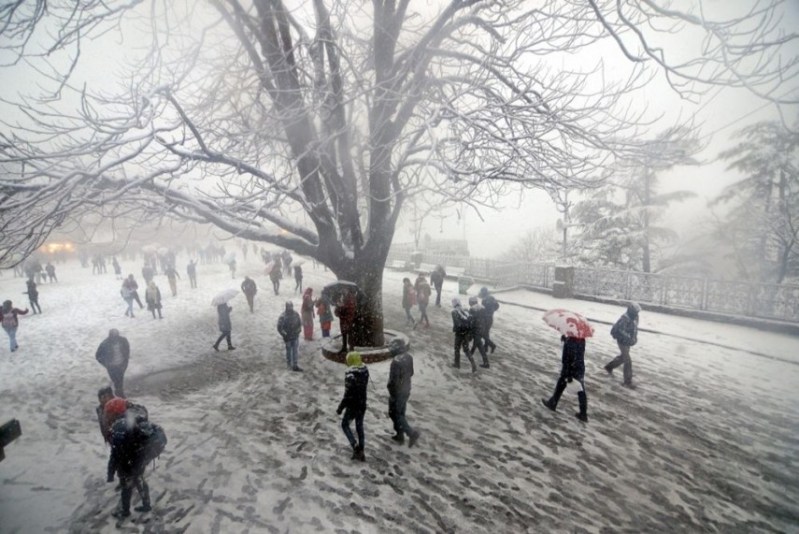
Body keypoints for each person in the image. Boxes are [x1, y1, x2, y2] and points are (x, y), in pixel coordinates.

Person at [108, 412, 152, 519]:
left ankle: (125, 511)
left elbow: (113, 458)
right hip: (138, 464)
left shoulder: (117, 434)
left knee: (126, 489)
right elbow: (145, 442)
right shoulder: (136, 430)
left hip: (125, 468)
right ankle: (146, 505)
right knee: (140, 482)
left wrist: (110, 474)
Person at [542, 336, 588, 422]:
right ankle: (583, 413)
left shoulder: (570, 341)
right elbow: (578, 354)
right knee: (580, 389)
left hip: (570, 368)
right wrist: (566, 339)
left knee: (562, 383)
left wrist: (568, 373)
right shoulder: (582, 340)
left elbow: (568, 357)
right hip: (580, 367)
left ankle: (553, 403)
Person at [337, 351, 369, 462]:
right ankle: (362, 451)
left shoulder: (350, 376)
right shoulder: (365, 372)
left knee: (345, 425)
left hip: (352, 406)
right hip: (362, 404)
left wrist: (340, 408)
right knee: (359, 427)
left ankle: (355, 447)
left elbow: (347, 395)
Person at [387, 342, 420, 447]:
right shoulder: (408, 357)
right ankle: (399, 434)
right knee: (401, 412)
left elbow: (393, 380)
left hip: (398, 391)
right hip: (406, 389)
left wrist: (391, 390)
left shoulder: (396, 362)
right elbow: (411, 373)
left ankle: (411, 433)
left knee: (395, 413)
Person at [604, 302, 641, 388]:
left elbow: (634, 329)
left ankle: (609, 367)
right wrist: (629, 337)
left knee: (623, 357)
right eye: (636, 311)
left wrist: (633, 339)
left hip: (628, 341)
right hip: (622, 341)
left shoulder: (635, 317)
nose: (637, 313)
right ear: (631, 310)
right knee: (627, 360)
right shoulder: (624, 319)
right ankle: (627, 381)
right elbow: (621, 331)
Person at [96, 329, 131, 397]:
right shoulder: (105, 344)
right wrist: (105, 363)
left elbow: (127, 349)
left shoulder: (123, 341)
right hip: (111, 366)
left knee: (120, 380)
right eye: (113, 336)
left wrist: (126, 360)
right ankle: (118, 393)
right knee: (115, 380)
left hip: (121, 364)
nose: (115, 338)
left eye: (116, 335)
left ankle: (120, 394)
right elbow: (98, 356)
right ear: (110, 336)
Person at [451, 298, 477, 373]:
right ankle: (473, 364)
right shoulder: (465, 310)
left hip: (459, 333)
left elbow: (457, 323)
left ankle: (457, 364)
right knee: (466, 349)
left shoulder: (454, 312)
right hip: (466, 333)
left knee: (457, 348)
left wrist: (456, 330)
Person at [277, 301, 303, 371]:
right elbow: (279, 328)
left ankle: (295, 364)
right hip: (287, 338)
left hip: (295, 336)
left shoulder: (296, 314)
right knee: (289, 351)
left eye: (291, 306)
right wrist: (285, 335)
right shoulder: (283, 316)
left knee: (295, 351)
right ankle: (289, 364)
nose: (290, 308)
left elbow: (300, 324)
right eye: (289, 306)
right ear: (286, 307)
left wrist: (298, 331)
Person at [468, 296, 490, 368]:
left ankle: (486, 362)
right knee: (477, 342)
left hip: (476, 328)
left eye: (469, 302)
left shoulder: (472, 309)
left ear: (471, 302)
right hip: (482, 328)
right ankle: (471, 354)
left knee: (480, 345)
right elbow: (487, 319)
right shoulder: (483, 307)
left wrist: (470, 331)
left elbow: (471, 321)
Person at [478, 287, 499, 354]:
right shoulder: (492, 298)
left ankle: (492, 345)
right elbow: (497, 305)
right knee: (486, 332)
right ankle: (486, 347)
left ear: (484, 292)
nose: (481, 293)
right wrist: (492, 311)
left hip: (485, 318)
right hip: (490, 318)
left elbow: (483, 310)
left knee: (482, 333)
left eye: (481, 292)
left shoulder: (484, 300)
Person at [335, 288, 357, 353]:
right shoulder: (343, 298)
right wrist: (338, 307)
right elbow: (338, 311)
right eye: (342, 290)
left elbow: (351, 309)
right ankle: (344, 347)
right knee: (344, 334)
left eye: (344, 290)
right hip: (343, 319)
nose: (343, 291)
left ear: (347, 290)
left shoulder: (351, 298)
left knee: (350, 333)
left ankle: (351, 348)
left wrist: (342, 306)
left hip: (348, 319)